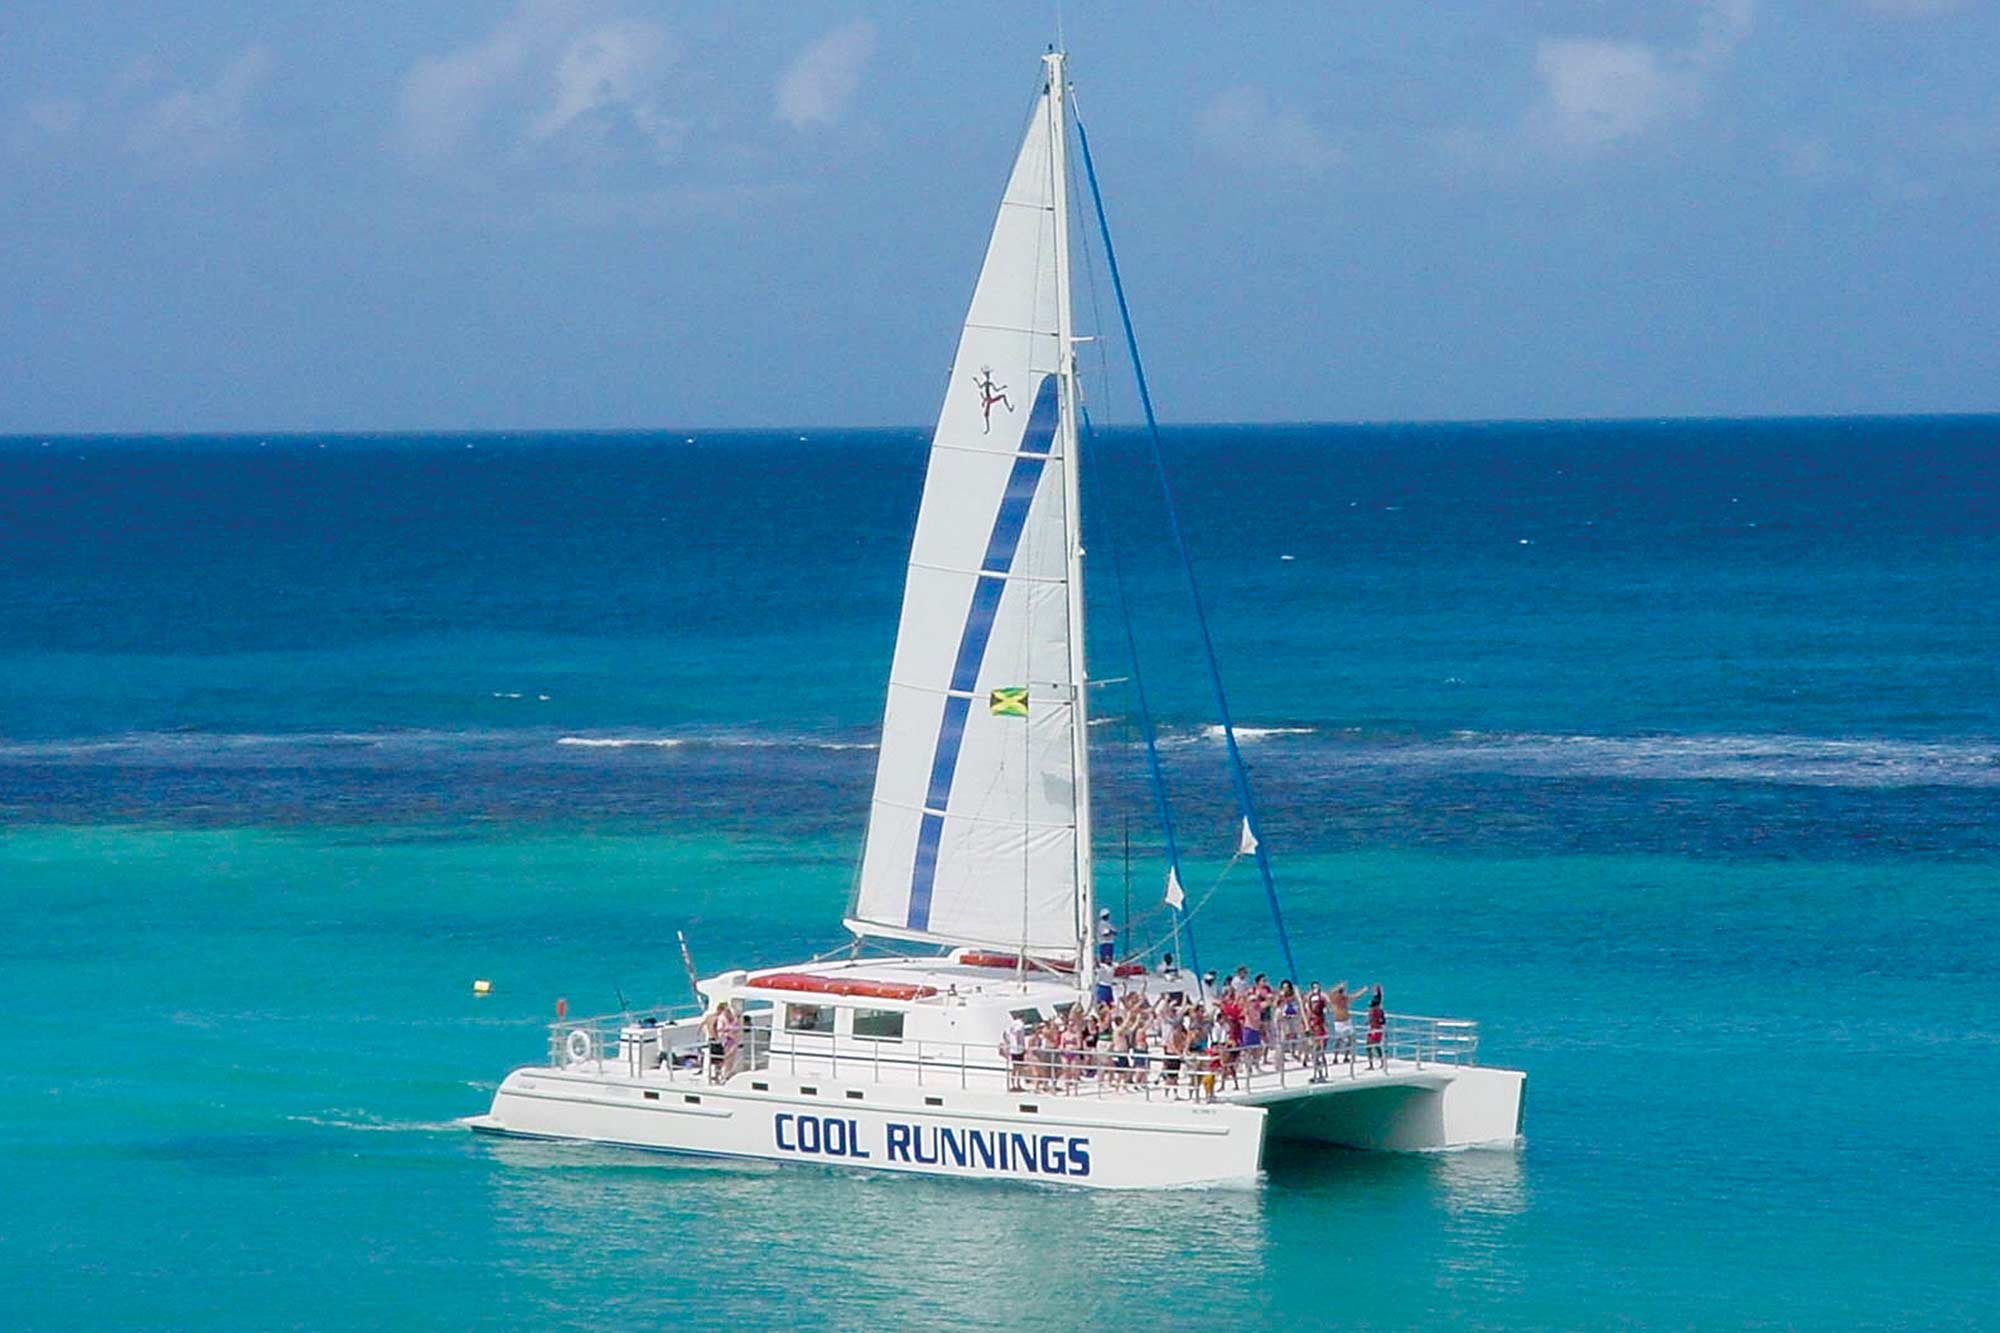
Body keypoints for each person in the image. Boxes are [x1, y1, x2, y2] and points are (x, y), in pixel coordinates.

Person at [1329, 981, 1360, 1066]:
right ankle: (1335, 1057)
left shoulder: (1344, 998)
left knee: (1351, 1039)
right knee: (1338, 1041)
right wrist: (1340, 985)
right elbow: (1331, 991)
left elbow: (1355, 997)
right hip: (1339, 1022)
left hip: (1347, 1021)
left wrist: (1363, 991)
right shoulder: (1334, 999)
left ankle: (1346, 1056)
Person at [1305, 982, 1330, 1083]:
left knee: (1320, 1052)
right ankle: (1318, 1074)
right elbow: (1307, 1016)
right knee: (1315, 1053)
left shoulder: (1322, 1003)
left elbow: (1327, 1004)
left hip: (1320, 1031)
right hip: (1313, 1030)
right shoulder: (1310, 1008)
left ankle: (1322, 1074)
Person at [1001, 1015, 1027, 1091]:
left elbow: (1005, 1033)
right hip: (1019, 1049)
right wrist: (1021, 1045)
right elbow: (1019, 1035)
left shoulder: (1012, 1024)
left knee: (1014, 1068)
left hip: (1013, 1049)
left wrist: (1008, 1043)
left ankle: (1013, 1084)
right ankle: (1018, 1084)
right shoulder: (1020, 1025)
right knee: (1019, 1068)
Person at [1365, 985, 1387, 1070]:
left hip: (1375, 1030)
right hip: (1375, 1030)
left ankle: (1374, 1064)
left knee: (1371, 1046)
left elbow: (1381, 1020)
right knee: (1373, 1046)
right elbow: (1383, 1021)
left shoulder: (1374, 1011)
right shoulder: (1379, 1010)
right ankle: (1379, 1062)